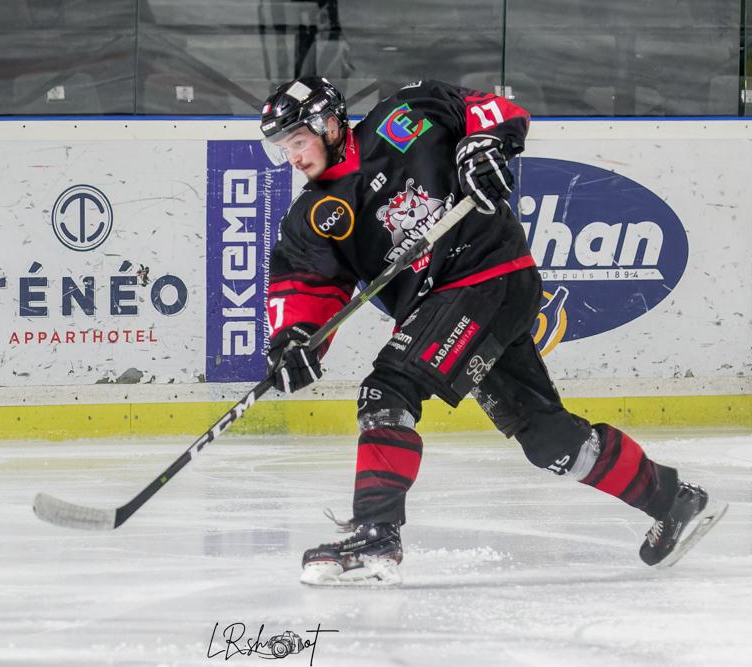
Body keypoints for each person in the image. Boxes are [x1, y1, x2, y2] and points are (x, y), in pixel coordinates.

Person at [259, 76, 728, 586]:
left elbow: (486, 109)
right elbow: (305, 285)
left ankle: (376, 530)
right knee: (547, 439)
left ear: (329, 124)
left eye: (298, 142)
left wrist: (483, 146)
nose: (294, 159)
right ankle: (673, 500)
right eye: (283, 150)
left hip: (487, 275)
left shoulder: (402, 119)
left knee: (387, 390)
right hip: (453, 305)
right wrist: (294, 340)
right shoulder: (314, 216)